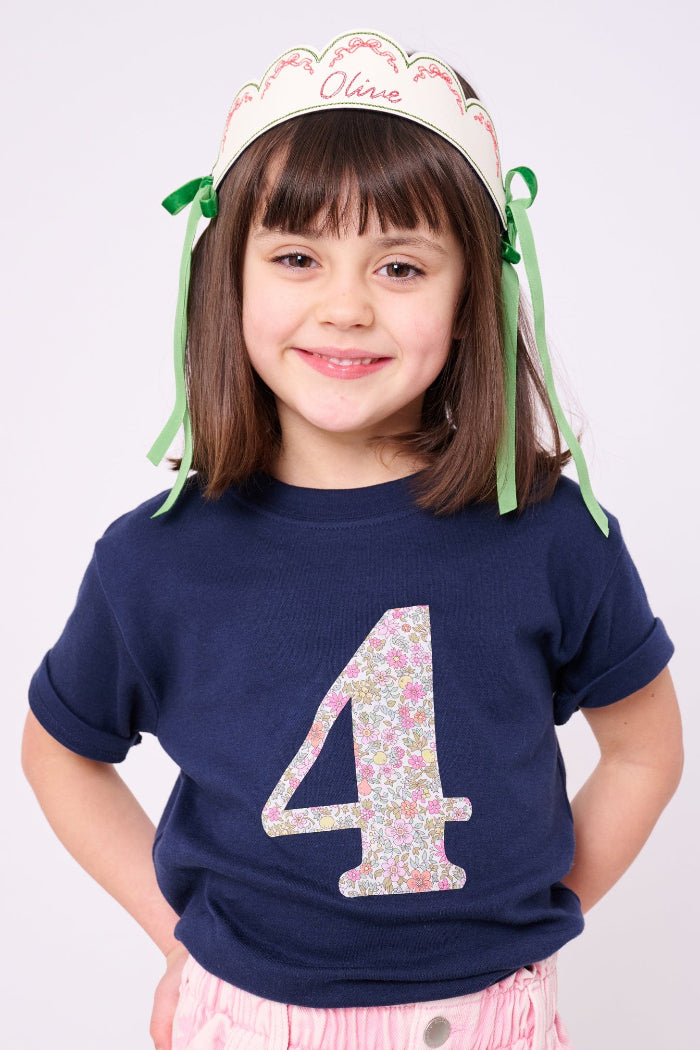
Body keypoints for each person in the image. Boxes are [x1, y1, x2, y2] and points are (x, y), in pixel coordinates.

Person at [21, 29, 683, 1050]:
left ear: (469, 300)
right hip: (245, 1021)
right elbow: (61, 754)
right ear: (226, 280)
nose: (344, 305)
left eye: (401, 265)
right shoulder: (154, 560)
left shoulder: (553, 535)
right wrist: (177, 941)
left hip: (493, 1020)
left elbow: (643, 749)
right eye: (296, 257)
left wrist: (531, 927)